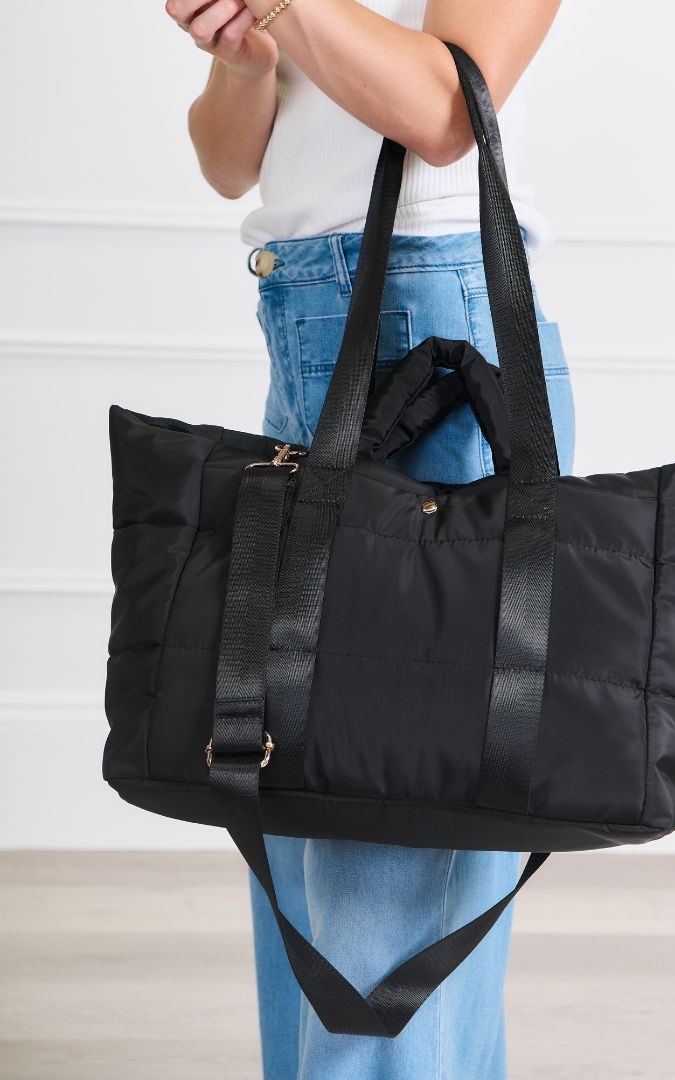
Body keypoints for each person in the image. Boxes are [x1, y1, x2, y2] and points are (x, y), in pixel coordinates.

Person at [168, 1, 573, 1076]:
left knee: (383, 874)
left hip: (429, 326)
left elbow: (446, 111)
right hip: (313, 320)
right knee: (304, 821)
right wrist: (245, 58)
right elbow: (229, 164)